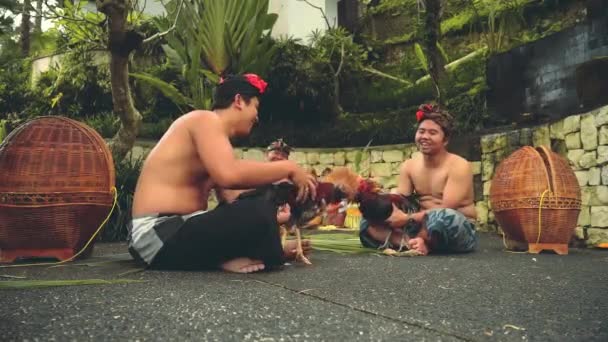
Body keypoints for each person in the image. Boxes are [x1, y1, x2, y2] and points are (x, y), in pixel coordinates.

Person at [128, 74, 316, 273]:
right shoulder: (205, 120)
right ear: (238, 101)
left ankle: (229, 256)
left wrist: (274, 208)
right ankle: (228, 257)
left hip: (180, 236)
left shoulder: (216, 142)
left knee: (262, 203)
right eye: (255, 107)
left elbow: (232, 197)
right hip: (156, 235)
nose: (257, 117)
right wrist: (289, 168)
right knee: (258, 212)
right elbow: (229, 175)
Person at [359, 104, 478, 255]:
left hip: (456, 228)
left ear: (445, 140)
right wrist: (383, 207)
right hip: (417, 224)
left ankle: (419, 241)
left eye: (432, 133)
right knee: (368, 219)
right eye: (421, 131)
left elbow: (447, 208)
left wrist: (405, 219)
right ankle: (410, 242)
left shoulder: (459, 166)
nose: (425, 137)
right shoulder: (409, 165)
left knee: (442, 219)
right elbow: (401, 201)